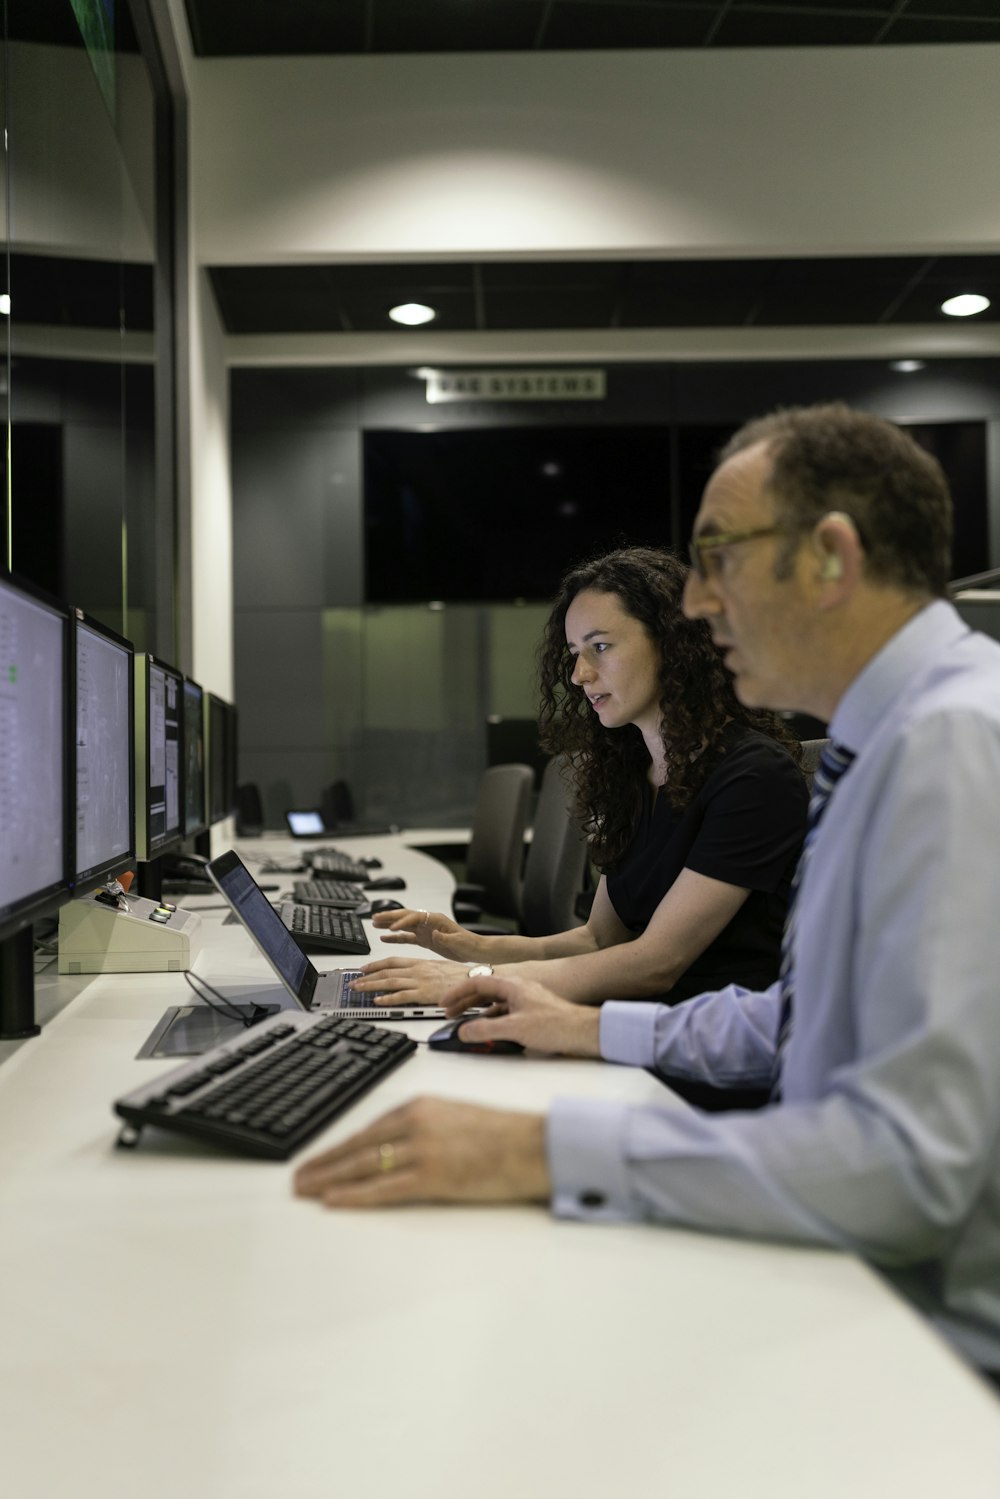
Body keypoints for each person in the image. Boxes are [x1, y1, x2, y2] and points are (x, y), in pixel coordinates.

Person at [294, 403, 1000, 1383]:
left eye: (718, 558)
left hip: (926, 1340)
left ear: (830, 556)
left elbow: (909, 1166)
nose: (700, 604)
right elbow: (801, 1021)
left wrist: (544, 1148)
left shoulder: (951, 747)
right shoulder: (886, 745)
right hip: (851, 1254)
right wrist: (588, 1030)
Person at [350, 546, 807, 1013]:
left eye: (601, 647)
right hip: (627, 1023)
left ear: (673, 642)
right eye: (574, 654)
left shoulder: (753, 776)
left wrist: (472, 980)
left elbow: (657, 962)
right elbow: (598, 940)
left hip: (699, 1047)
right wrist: (470, 947)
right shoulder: (631, 774)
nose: (580, 674)